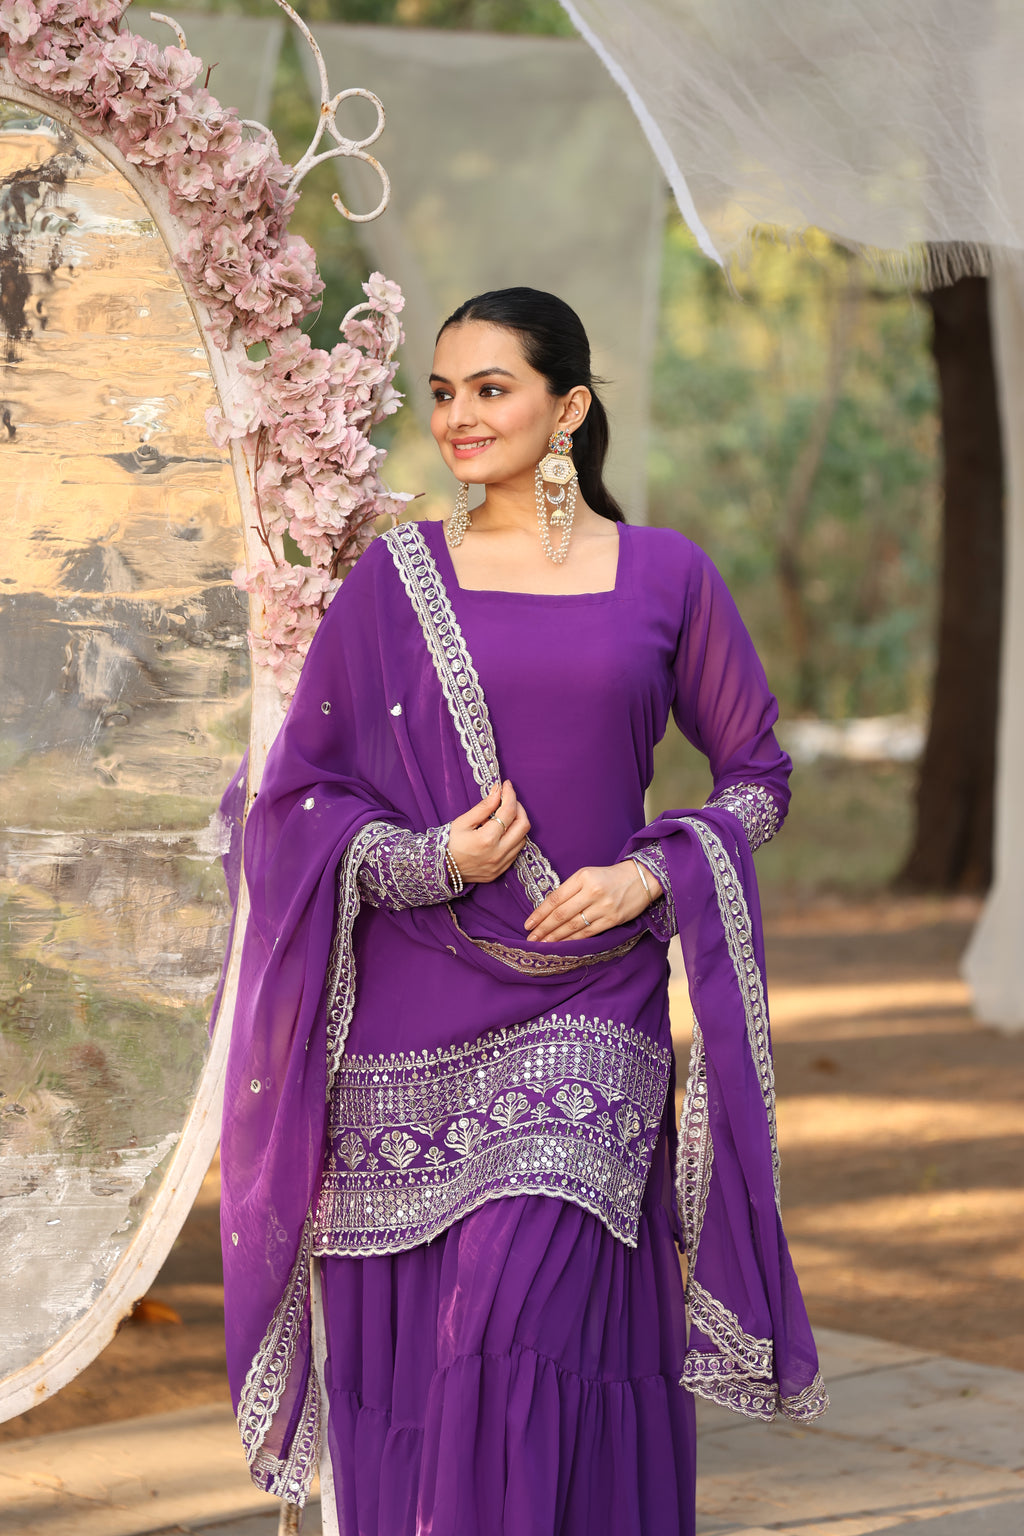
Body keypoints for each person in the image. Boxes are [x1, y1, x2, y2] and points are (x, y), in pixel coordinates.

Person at [219, 287, 827, 1535]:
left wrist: (654, 870)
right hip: (407, 1018)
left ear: (570, 407)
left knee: (515, 1312)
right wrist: (424, 859)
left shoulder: (666, 575)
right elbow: (290, 798)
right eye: (441, 393)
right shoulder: (395, 584)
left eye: (490, 388)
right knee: (420, 1369)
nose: (458, 417)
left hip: (591, 1000)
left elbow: (758, 777)